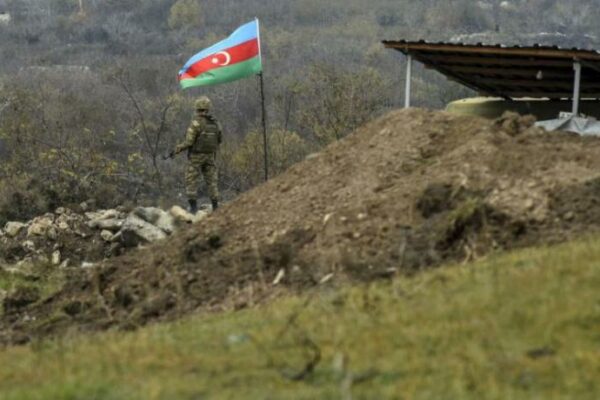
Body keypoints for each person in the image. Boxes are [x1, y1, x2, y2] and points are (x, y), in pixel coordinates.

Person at [171, 96, 222, 213]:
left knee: (191, 180)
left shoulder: (196, 123)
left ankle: (193, 208)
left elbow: (189, 142)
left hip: (196, 157)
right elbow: (219, 140)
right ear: (208, 108)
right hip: (210, 156)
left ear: (197, 108)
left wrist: (178, 149)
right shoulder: (216, 123)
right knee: (212, 181)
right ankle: (215, 207)